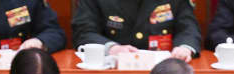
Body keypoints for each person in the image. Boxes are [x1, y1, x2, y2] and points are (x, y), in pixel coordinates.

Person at [72, 0, 200, 61]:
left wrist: (184, 48)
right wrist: (111, 48)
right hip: (114, 71)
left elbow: (188, 28)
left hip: (165, 70)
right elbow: (84, 32)